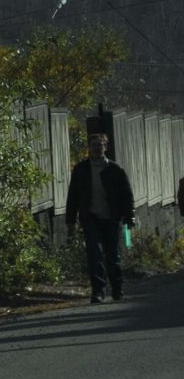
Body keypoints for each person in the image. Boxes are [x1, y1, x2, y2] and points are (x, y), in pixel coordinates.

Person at [63, 130, 135, 304]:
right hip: (91, 218)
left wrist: (129, 216)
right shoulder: (81, 169)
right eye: (93, 145)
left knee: (113, 257)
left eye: (100, 145)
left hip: (111, 218)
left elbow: (127, 194)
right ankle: (98, 292)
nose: (96, 148)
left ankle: (117, 289)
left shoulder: (115, 169)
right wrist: (71, 221)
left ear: (106, 147)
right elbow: (73, 196)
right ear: (89, 148)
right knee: (94, 256)